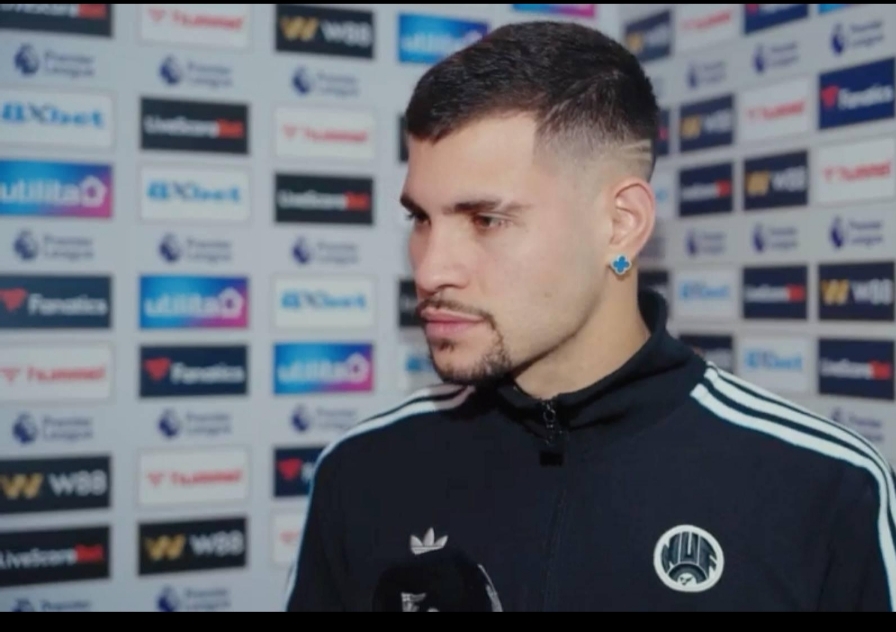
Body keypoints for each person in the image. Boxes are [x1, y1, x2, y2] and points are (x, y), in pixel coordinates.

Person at [284, 20, 896, 612]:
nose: (430, 269)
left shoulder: (825, 488)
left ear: (620, 225)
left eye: (486, 220)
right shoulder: (362, 472)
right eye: (420, 218)